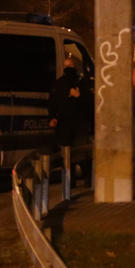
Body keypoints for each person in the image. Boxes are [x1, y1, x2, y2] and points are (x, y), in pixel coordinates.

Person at [49, 58, 90, 188]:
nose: (68, 67)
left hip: (79, 124)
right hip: (64, 125)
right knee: (67, 155)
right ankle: (69, 182)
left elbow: (90, 101)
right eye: (65, 65)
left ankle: (87, 179)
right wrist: (52, 118)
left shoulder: (82, 82)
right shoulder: (58, 84)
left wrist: (79, 96)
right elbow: (53, 103)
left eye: (70, 65)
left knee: (81, 153)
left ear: (75, 66)